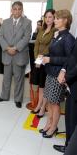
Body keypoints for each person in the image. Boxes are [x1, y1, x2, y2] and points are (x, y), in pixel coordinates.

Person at [39, 9, 75, 138]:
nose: (54, 20)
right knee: (49, 101)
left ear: (65, 20)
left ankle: (54, 127)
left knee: (54, 103)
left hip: (58, 74)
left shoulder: (68, 38)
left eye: (57, 18)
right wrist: (45, 57)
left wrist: (51, 59)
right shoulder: (58, 35)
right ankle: (49, 123)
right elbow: (54, 53)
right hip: (50, 72)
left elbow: (70, 59)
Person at [0, 1, 32, 108]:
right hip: (7, 54)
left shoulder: (27, 22)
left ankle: (18, 99)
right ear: (11, 10)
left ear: (22, 10)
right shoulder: (5, 22)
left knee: (18, 78)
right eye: (14, 9)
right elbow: (0, 36)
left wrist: (15, 48)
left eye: (19, 9)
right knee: (6, 78)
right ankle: (4, 96)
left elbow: (26, 37)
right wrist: (7, 48)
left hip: (19, 54)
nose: (16, 11)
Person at [30, 9, 56, 118]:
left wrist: (40, 59)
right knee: (40, 86)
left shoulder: (55, 31)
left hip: (47, 62)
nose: (48, 19)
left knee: (44, 86)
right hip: (38, 61)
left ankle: (42, 108)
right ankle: (39, 105)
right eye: (46, 17)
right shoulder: (41, 29)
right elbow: (36, 45)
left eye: (50, 17)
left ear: (54, 18)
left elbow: (50, 47)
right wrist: (37, 58)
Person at [53, 37, 77, 153]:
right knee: (70, 116)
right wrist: (64, 70)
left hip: (74, 81)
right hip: (71, 81)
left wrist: (67, 77)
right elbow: (72, 56)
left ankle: (70, 148)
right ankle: (69, 145)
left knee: (72, 117)